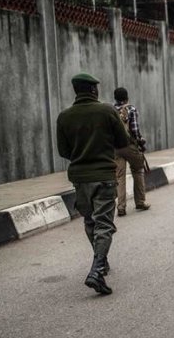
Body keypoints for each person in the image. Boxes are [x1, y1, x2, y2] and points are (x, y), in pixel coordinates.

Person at [56, 73, 130, 295]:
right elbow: (123, 141)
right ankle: (97, 269)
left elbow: (63, 151)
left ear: (76, 91)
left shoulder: (64, 116)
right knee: (104, 224)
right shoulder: (107, 111)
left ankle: (101, 262)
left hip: (80, 178)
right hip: (104, 176)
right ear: (93, 90)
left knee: (90, 221)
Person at [113, 87, 150, 217]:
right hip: (129, 146)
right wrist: (140, 141)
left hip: (115, 148)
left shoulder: (110, 110)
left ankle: (121, 207)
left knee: (119, 176)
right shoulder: (131, 109)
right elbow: (134, 129)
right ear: (127, 97)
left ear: (115, 98)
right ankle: (140, 201)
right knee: (138, 170)